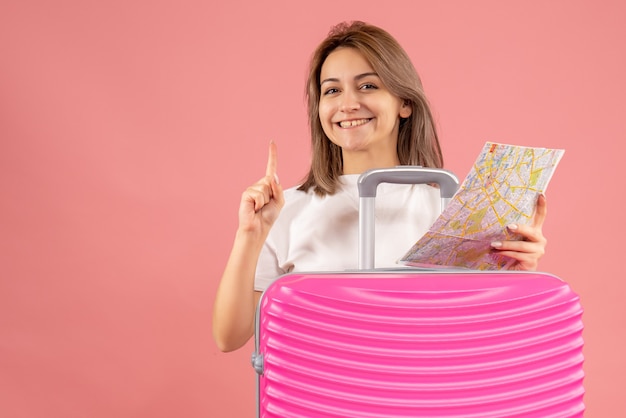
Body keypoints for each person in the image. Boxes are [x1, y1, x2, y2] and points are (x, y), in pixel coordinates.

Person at [212, 21, 548, 353]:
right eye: (332, 90)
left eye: (368, 86)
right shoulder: (286, 210)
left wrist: (517, 274)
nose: (347, 104)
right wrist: (250, 234)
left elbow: (483, 337)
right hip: (325, 401)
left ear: (405, 103)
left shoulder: (454, 211)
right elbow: (230, 337)